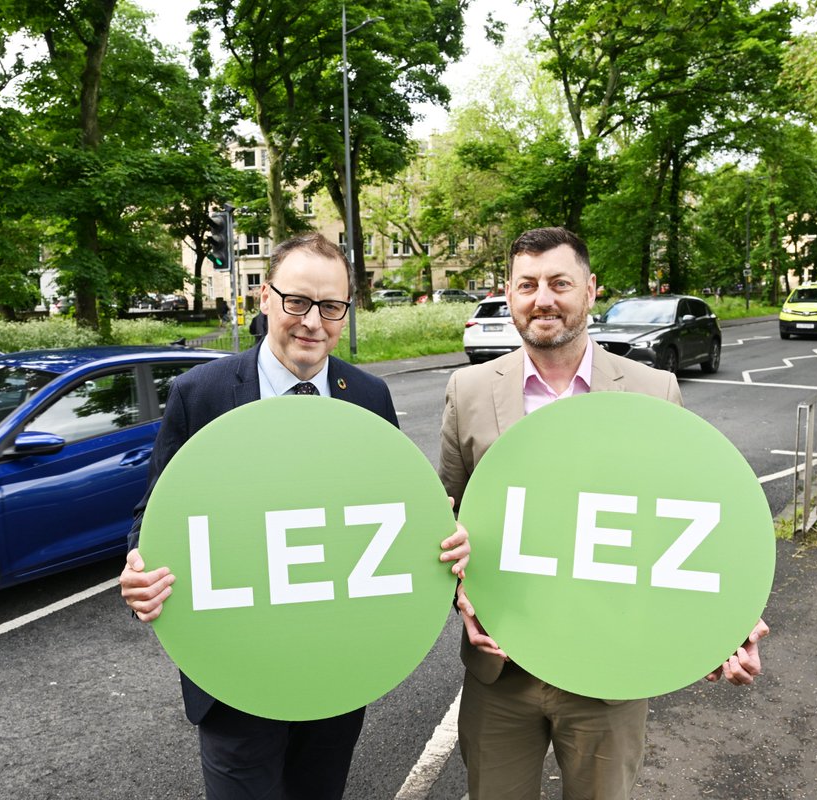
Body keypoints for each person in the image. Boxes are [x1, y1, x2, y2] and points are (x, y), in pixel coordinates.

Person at [120, 231, 470, 800]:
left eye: (331, 307)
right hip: (234, 672)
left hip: (335, 667)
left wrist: (441, 538)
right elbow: (155, 514)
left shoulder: (368, 395)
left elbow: (391, 509)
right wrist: (139, 567)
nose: (313, 322)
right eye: (297, 302)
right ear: (265, 299)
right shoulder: (200, 393)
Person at [438, 226, 769, 800]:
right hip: (502, 672)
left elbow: (693, 519)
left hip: (609, 669)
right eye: (528, 285)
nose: (543, 298)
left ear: (590, 290)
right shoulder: (467, 390)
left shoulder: (652, 390)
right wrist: (458, 592)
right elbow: (443, 525)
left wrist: (727, 623)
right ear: (510, 295)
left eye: (560, 283)